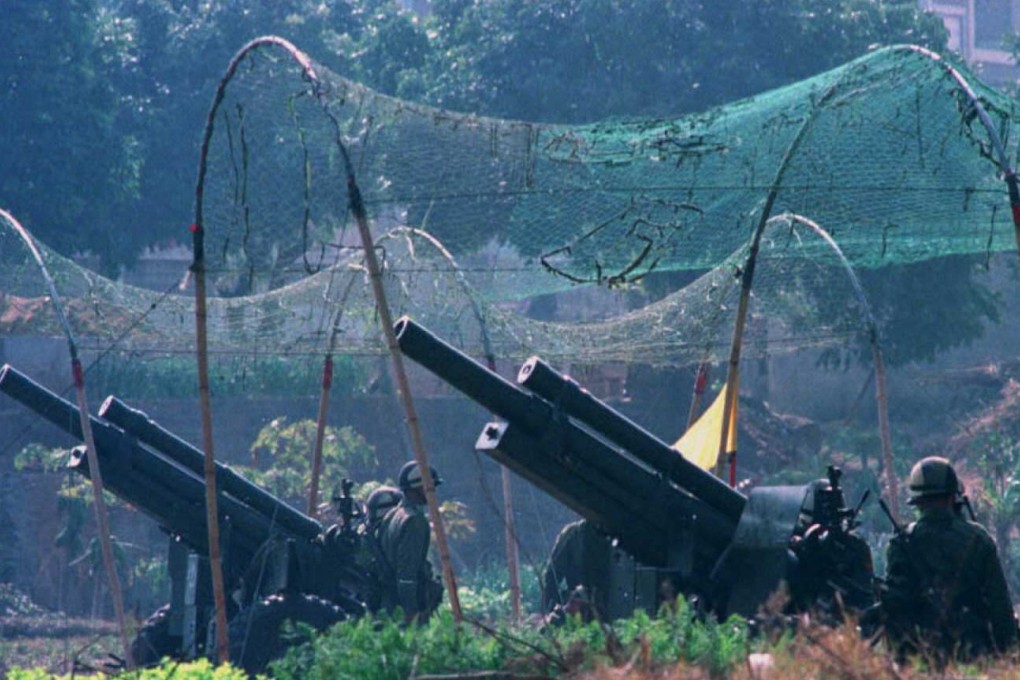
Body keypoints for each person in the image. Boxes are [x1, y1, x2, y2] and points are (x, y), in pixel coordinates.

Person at [880, 456, 1018, 663]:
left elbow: (895, 609)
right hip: (975, 656)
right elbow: (1000, 607)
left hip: (921, 659)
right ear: (953, 497)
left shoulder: (902, 543)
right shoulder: (978, 539)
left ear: (917, 502)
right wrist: (1010, 654)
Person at [378, 461, 444, 623]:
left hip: (389, 600)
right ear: (419, 487)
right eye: (431, 487)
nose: (433, 491)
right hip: (403, 605)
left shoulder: (393, 514)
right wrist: (411, 611)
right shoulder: (414, 521)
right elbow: (407, 573)